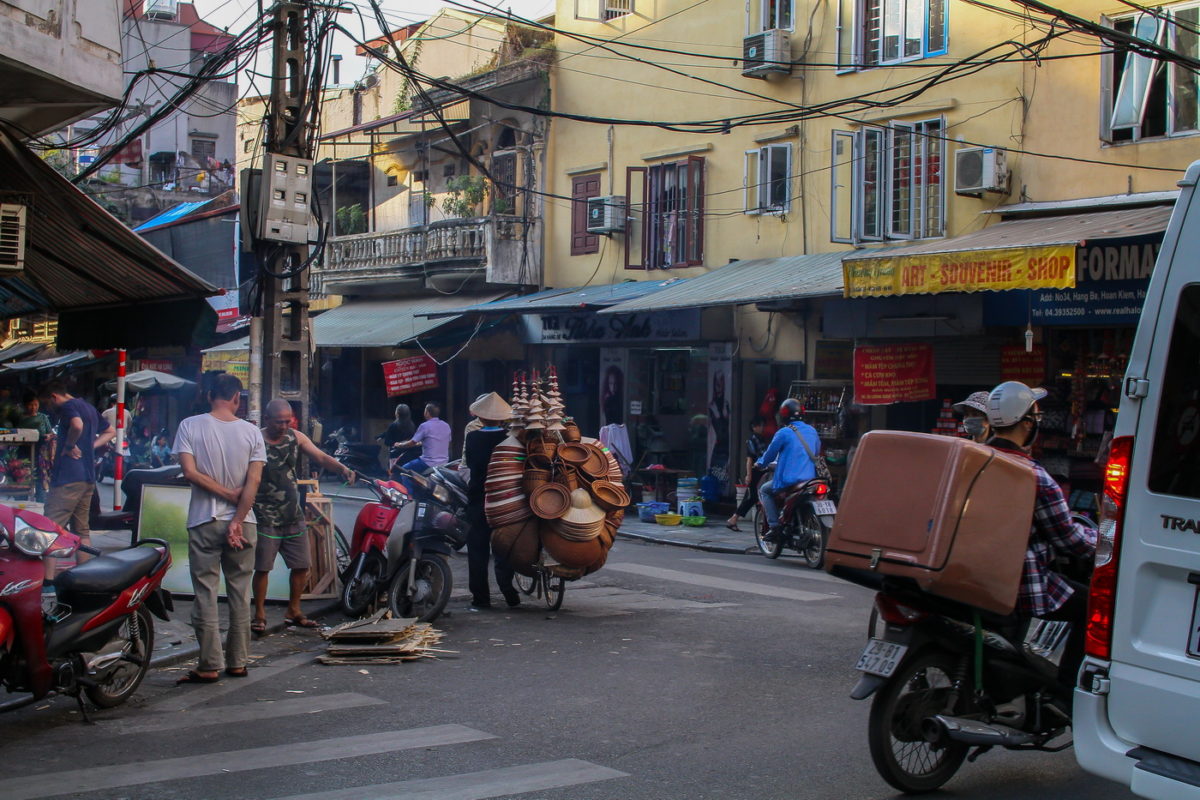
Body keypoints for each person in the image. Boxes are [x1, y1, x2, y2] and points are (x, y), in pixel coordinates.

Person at [985, 380, 1097, 694]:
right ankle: (1065, 691)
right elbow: (1068, 540)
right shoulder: (1035, 476)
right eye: (1036, 417)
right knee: (1091, 607)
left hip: (974, 571)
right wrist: (1101, 543)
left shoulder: (972, 461)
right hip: (1018, 579)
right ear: (1027, 424)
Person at [172, 374, 266, 684]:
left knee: (206, 593)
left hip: (204, 521)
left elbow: (189, 472)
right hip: (246, 523)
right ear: (238, 398)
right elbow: (253, 482)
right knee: (241, 594)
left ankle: (208, 664)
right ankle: (238, 662)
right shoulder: (253, 433)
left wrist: (223, 496)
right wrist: (237, 519)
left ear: (210, 395)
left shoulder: (190, 425)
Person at [251, 399, 355, 634]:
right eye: (279, 422)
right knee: (263, 567)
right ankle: (259, 614)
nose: (284, 426)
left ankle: (294, 610)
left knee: (302, 565)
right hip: (265, 515)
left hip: (292, 512)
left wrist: (342, 469)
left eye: (288, 421)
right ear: (267, 420)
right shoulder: (255, 439)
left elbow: (320, 457)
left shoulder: (296, 437)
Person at [41, 381, 113, 572]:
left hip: (68, 477)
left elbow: (77, 425)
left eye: (48, 404)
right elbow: (110, 431)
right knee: (82, 530)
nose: (49, 408)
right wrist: (91, 446)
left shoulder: (68, 407)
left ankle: (47, 583)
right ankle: (85, 577)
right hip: (87, 477)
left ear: (54, 397)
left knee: (51, 529)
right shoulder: (87, 407)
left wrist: (69, 445)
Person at [462, 392, 519, 609]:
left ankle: (481, 599)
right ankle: (508, 591)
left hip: (478, 500)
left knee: (477, 551)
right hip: (504, 501)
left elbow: (470, 464)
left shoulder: (473, 438)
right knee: (503, 549)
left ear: (481, 417)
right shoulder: (510, 439)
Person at [755, 398, 820, 542]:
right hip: (810, 480)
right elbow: (816, 452)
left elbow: (770, 454)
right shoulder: (812, 431)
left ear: (783, 415)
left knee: (765, 490)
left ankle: (774, 527)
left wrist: (760, 463)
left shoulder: (783, 432)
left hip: (790, 481)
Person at [726, 417, 768, 531]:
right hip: (755, 472)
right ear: (754, 427)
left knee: (753, 497)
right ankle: (733, 519)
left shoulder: (761, 438)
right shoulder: (752, 440)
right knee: (752, 497)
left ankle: (733, 519)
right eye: (760, 425)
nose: (762, 427)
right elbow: (749, 459)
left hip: (763, 471)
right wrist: (749, 474)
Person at [392, 402, 451, 474]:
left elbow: (412, 442)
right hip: (444, 462)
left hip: (428, 462)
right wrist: (421, 443)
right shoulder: (446, 426)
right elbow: (440, 441)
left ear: (427, 413)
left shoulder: (424, 426)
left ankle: (409, 486)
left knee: (404, 470)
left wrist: (400, 445)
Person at [17, 392, 52, 503]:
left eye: (36, 404)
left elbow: (50, 433)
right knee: (22, 474)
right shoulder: (19, 418)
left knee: (39, 475)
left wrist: (48, 436)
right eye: (31, 405)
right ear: (25, 405)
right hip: (23, 451)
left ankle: (40, 501)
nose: (33, 407)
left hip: (40, 452)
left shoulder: (43, 417)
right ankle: (20, 499)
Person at [378, 403, 416, 478]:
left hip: (395, 457)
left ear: (397, 414)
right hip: (408, 456)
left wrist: (394, 443)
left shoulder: (393, 426)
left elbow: (387, 442)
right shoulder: (412, 425)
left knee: (394, 476)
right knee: (405, 476)